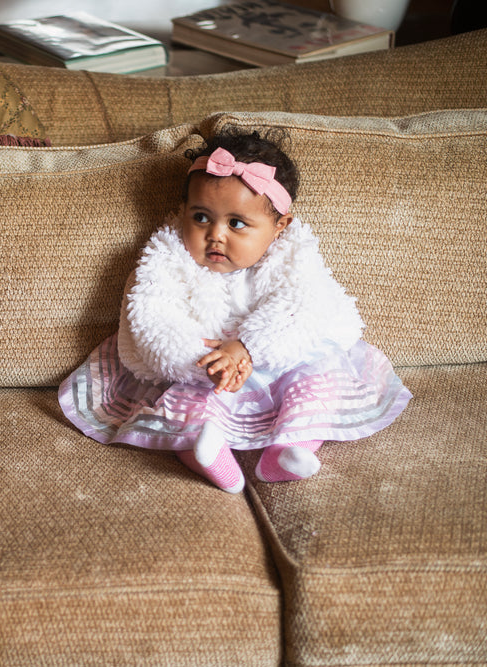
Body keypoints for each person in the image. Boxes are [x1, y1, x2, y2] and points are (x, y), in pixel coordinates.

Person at [59, 128, 411, 493]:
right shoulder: (166, 259)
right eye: (200, 217)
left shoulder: (293, 258)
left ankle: (290, 450)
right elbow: (153, 321)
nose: (216, 234)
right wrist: (203, 363)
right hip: (202, 368)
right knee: (186, 408)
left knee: (315, 386)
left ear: (279, 227)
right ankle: (209, 455)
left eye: (237, 223)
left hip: (277, 360)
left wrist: (248, 348)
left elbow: (304, 307)